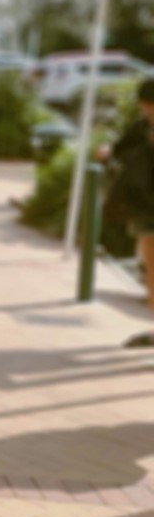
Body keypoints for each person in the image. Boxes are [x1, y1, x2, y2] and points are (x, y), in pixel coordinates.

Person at [97, 79, 154, 343]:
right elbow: (118, 149)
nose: (146, 110)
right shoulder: (141, 128)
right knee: (151, 270)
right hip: (146, 206)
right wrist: (107, 151)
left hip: (146, 206)